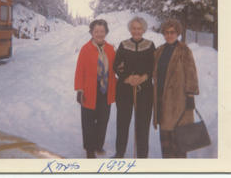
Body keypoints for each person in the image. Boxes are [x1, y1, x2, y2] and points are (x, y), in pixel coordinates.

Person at [153, 19, 199, 158]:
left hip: (179, 102)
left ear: (178, 33)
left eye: (172, 32)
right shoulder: (159, 51)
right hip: (162, 100)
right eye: (166, 32)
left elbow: (191, 73)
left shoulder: (184, 50)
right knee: (166, 139)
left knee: (179, 141)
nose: (169, 35)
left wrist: (190, 95)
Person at [113, 17, 155, 158]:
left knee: (143, 124)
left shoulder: (150, 45)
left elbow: (153, 66)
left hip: (145, 90)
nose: (136, 31)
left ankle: (142, 156)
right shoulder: (123, 45)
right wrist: (127, 78)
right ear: (130, 29)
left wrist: (143, 78)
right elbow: (116, 65)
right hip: (125, 89)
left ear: (143, 29)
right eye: (134, 28)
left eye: (139, 28)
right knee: (122, 122)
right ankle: (120, 153)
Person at [74, 19, 117, 158]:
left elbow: (115, 69)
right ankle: (89, 149)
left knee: (103, 119)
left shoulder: (110, 49)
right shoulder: (85, 49)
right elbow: (80, 70)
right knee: (88, 121)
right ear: (92, 32)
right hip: (89, 90)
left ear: (106, 32)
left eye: (102, 31)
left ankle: (99, 145)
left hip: (106, 90)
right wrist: (79, 90)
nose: (99, 34)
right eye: (96, 31)